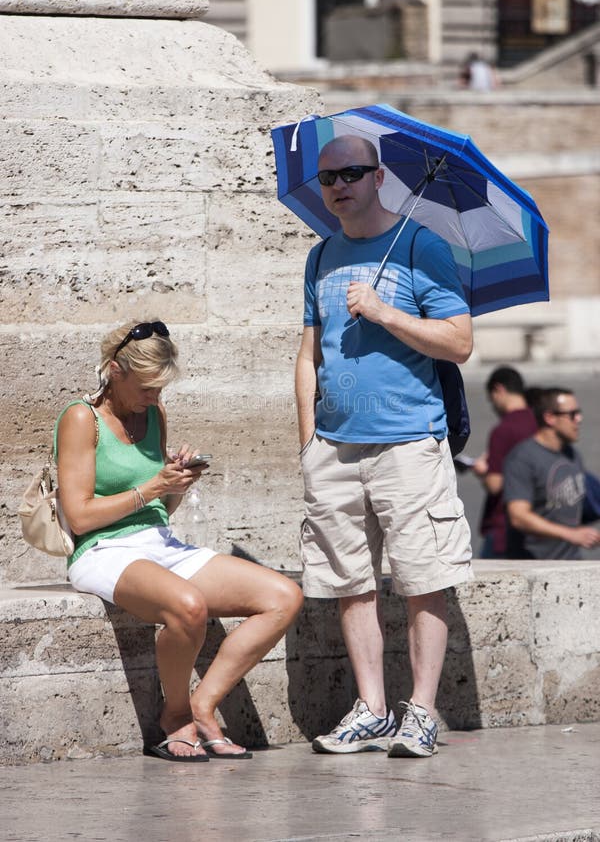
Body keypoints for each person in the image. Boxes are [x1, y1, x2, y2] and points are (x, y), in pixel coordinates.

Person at [295, 135, 474, 759]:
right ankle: (371, 708)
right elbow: (308, 354)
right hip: (335, 447)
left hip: (407, 443)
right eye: (327, 177)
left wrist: (385, 312)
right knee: (351, 583)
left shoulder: (424, 248)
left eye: (351, 173)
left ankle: (422, 711)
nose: (338, 185)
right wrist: (307, 440)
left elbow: (458, 342)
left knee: (424, 579)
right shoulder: (320, 256)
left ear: (378, 178)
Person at [57, 319, 303, 762]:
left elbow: (159, 512)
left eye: (160, 390)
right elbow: (79, 516)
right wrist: (152, 487)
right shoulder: (81, 418)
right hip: (101, 551)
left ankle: (204, 706)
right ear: (116, 370)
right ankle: (175, 717)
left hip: (158, 543)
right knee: (188, 606)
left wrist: (176, 485)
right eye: (147, 388)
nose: (154, 398)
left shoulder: (154, 413)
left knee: (283, 596)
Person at [503, 386, 600, 559]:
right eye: (572, 414)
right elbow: (518, 515)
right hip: (534, 566)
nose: (579, 419)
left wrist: (586, 533)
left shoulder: (572, 454)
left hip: (571, 561)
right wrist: (571, 534)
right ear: (549, 417)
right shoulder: (522, 458)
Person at [472, 366, 537, 557]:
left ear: (498, 390)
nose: (493, 405)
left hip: (504, 526)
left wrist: (482, 471)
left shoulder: (503, 430)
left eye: (491, 398)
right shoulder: (539, 421)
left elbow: (494, 484)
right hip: (536, 521)